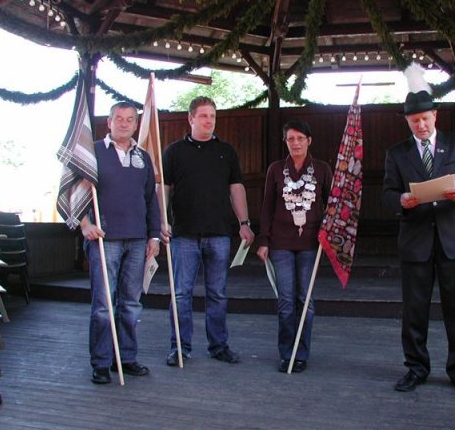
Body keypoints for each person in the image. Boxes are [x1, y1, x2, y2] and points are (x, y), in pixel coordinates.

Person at [382, 71, 455, 398]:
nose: (421, 125)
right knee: (414, 310)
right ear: (407, 121)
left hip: (453, 239)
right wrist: (401, 200)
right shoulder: (397, 153)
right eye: (414, 121)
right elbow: (387, 193)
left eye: (425, 119)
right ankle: (416, 368)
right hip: (416, 241)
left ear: (435, 116)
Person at [162, 96, 254, 366]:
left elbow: (236, 188)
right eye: (203, 116)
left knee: (218, 294)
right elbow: (164, 189)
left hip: (219, 233)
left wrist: (244, 223)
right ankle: (180, 348)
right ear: (191, 118)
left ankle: (218, 346)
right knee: (181, 294)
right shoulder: (174, 151)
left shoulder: (226, 151)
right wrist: (161, 220)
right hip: (184, 234)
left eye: (212, 116)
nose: (209, 121)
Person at [80, 101, 161, 385]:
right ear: (109, 122)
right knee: (104, 305)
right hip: (105, 239)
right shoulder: (93, 153)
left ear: (136, 124)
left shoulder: (143, 156)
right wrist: (85, 224)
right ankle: (101, 362)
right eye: (119, 118)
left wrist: (154, 235)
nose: (124, 123)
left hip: (137, 240)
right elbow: (73, 193)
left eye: (130, 119)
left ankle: (125, 358)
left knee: (131, 303)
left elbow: (151, 199)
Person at [256, 120, 333, 373]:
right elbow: (267, 207)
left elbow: (332, 206)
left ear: (309, 140)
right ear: (285, 142)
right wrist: (264, 240)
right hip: (280, 244)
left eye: (300, 138)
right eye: (291, 138)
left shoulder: (321, 169)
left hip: (311, 244)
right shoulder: (276, 169)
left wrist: (329, 236)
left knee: (305, 300)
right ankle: (287, 354)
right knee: (286, 301)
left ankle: (301, 354)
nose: (296, 143)